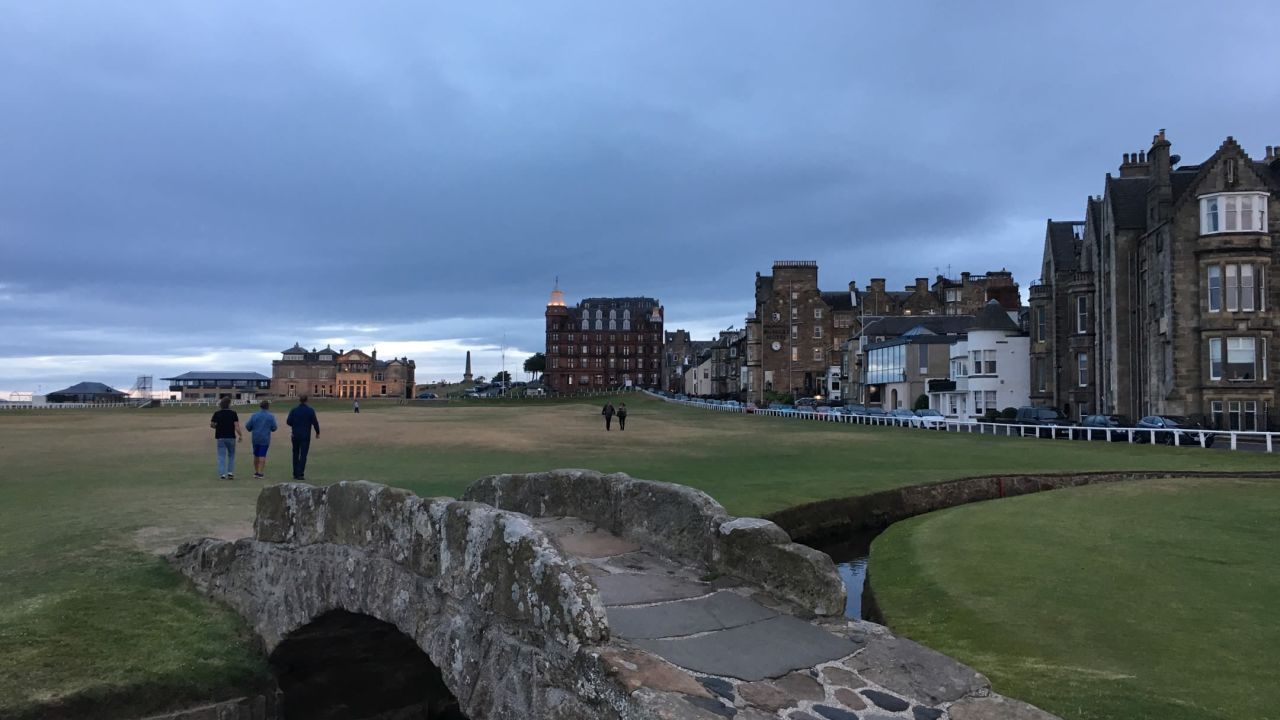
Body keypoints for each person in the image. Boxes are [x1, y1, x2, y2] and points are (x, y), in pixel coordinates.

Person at [286, 394, 321, 481]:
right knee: (303, 455)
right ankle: (300, 473)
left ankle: (295, 473)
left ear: (299, 400)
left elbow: (288, 421)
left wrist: (295, 425)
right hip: (305, 435)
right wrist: (317, 432)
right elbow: (315, 423)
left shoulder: (294, 410)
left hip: (295, 434)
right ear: (306, 400)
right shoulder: (310, 410)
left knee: (295, 454)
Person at [209, 397, 243, 480]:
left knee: (221, 456)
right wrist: (240, 435)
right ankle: (230, 473)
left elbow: (212, 424)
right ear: (229, 404)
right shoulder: (233, 413)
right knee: (231, 455)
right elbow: (236, 426)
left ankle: (222, 474)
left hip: (220, 437)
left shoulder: (217, 413)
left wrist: (218, 426)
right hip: (231, 437)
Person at [245, 399, 278, 479]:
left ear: (260, 406)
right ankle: (260, 472)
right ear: (268, 407)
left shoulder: (254, 415)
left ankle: (256, 472)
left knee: (256, 455)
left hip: (255, 438)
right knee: (262, 455)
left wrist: (252, 428)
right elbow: (274, 427)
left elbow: (248, 426)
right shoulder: (270, 416)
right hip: (265, 438)